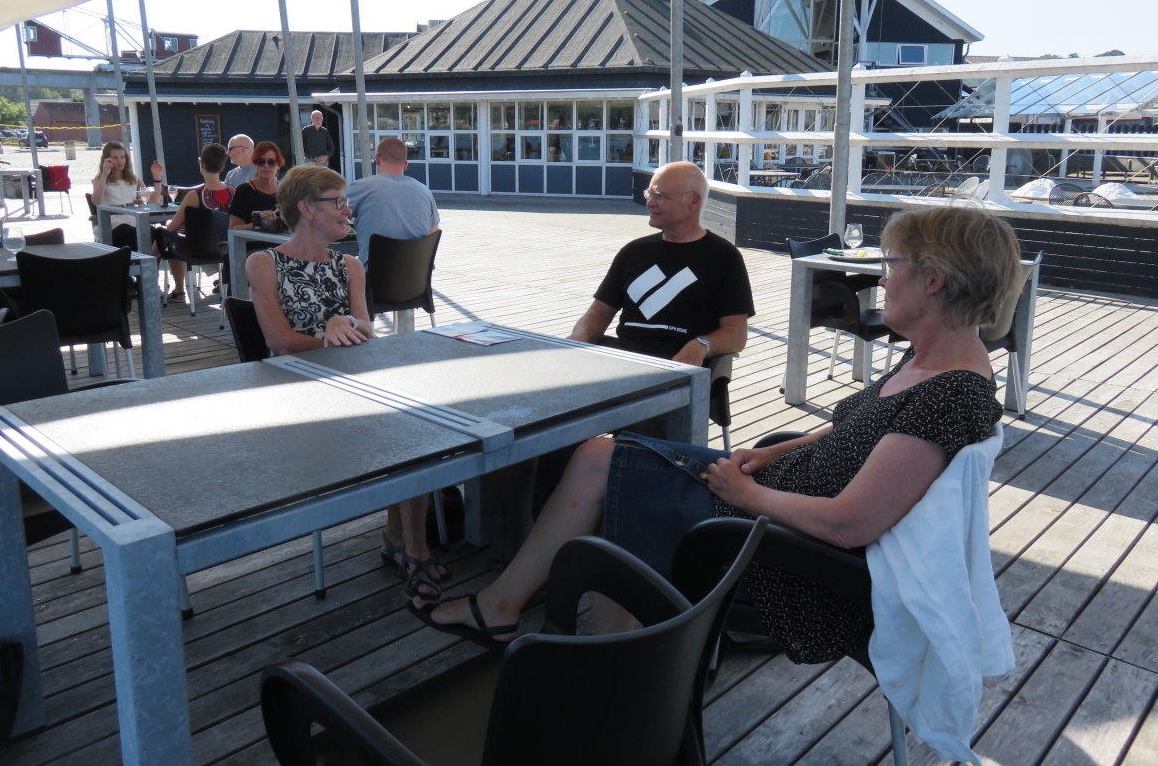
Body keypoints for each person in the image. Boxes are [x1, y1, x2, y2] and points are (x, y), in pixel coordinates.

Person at [412, 206, 1019, 654]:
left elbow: (848, 524)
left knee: (604, 472)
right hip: (770, 504)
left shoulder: (951, 395)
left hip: (780, 556)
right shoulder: (931, 363)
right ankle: (590, 641)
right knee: (600, 457)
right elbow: (851, 433)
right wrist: (774, 453)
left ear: (934, 280)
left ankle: (599, 656)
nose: (882, 279)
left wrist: (747, 494)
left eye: (890, 265)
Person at [246, 166, 450, 600]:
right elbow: (279, 341)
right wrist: (327, 335)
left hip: (354, 387)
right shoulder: (264, 263)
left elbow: (366, 330)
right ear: (306, 208)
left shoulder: (350, 265)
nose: (348, 210)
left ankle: (403, 540)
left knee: (419, 424)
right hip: (295, 397)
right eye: (337, 202)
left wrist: (347, 324)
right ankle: (408, 545)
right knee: (406, 429)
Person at [571, 160, 752, 367]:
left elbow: (736, 334)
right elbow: (599, 312)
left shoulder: (724, 257)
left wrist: (701, 345)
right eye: (649, 194)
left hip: (679, 370)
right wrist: (578, 338)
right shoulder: (633, 252)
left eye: (660, 196)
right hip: (623, 363)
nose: (650, 203)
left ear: (693, 201)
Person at [151, 142, 234, 300]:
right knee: (173, 234)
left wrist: (167, 225)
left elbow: (173, 227)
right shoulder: (234, 192)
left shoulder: (195, 195)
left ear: (202, 164)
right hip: (225, 249)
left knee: (168, 232)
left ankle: (152, 273)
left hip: (196, 250)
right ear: (223, 167)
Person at [345, 137, 439, 268]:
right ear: (405, 165)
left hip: (372, 276)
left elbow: (333, 215)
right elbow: (433, 232)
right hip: (417, 277)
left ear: (377, 159)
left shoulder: (361, 187)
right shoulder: (425, 191)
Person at [90, 141, 163, 250]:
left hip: (134, 221)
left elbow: (154, 201)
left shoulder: (133, 179)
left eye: (122, 157)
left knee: (153, 231)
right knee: (126, 231)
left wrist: (157, 178)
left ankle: (147, 259)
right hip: (113, 223)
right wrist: (105, 174)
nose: (120, 161)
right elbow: (96, 201)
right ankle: (134, 259)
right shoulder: (100, 179)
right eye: (115, 158)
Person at [228, 141, 281, 229]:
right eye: (261, 162)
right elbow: (233, 228)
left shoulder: (286, 191)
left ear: (278, 165)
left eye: (271, 162)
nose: (266, 165)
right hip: (253, 238)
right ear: (255, 164)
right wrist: (259, 223)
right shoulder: (244, 191)